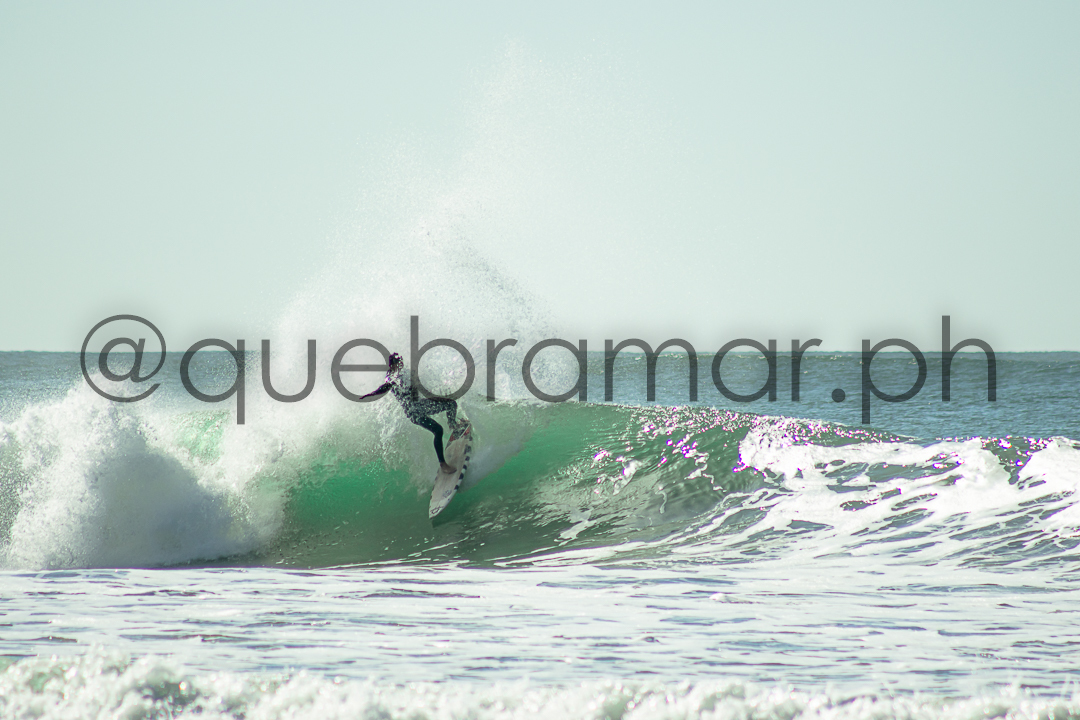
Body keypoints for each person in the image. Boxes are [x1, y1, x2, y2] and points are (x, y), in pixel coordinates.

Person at [360, 353, 464, 474]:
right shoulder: (391, 378)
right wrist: (371, 394)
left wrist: (441, 399)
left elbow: (422, 391)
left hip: (422, 405)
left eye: (401, 362)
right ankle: (443, 464)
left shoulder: (406, 374)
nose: (401, 365)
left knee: (451, 404)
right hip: (414, 413)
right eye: (398, 363)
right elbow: (385, 387)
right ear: (392, 365)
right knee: (438, 430)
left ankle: (453, 425)